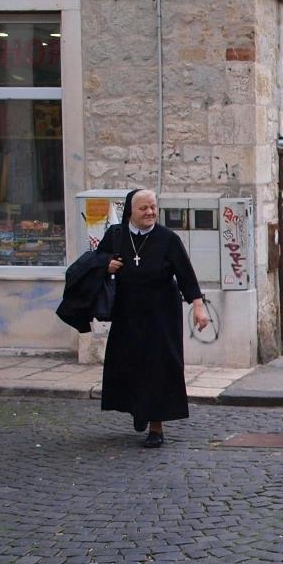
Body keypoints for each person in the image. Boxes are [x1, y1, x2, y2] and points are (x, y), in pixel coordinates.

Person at [96, 188, 209, 448]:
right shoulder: (116, 235)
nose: (150, 213)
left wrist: (198, 307)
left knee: (158, 367)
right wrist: (106, 264)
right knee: (130, 364)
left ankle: (155, 426)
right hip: (127, 313)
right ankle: (139, 410)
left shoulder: (167, 239)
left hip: (161, 314)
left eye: (153, 207)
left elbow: (186, 276)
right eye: (143, 208)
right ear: (130, 212)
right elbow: (95, 260)